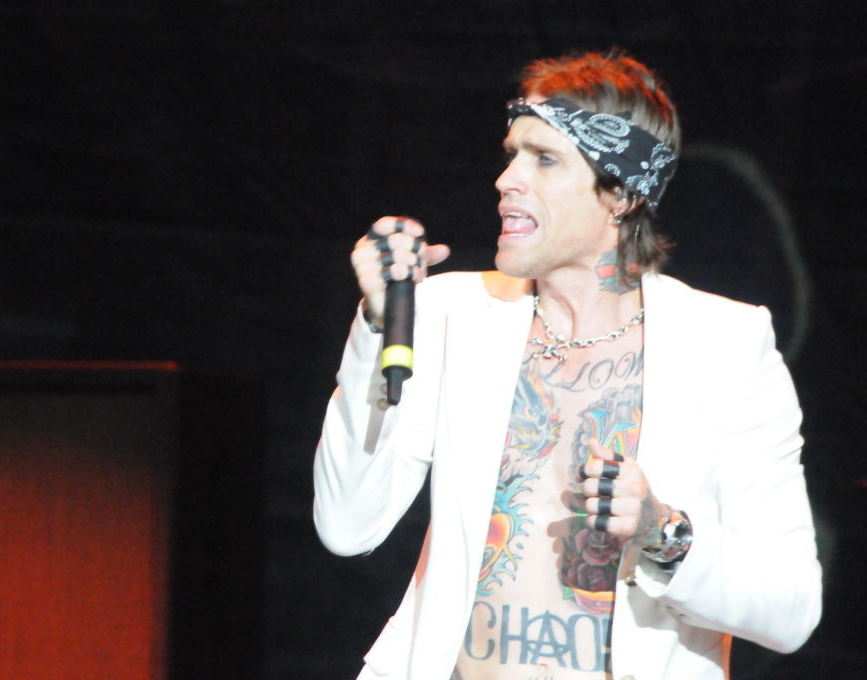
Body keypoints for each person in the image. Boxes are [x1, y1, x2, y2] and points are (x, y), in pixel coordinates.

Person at [313, 50, 821, 680]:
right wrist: (376, 324)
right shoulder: (450, 314)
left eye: (544, 159)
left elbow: (791, 608)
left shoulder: (725, 345)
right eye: (512, 155)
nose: (507, 180)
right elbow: (347, 525)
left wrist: (661, 532)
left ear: (621, 193)